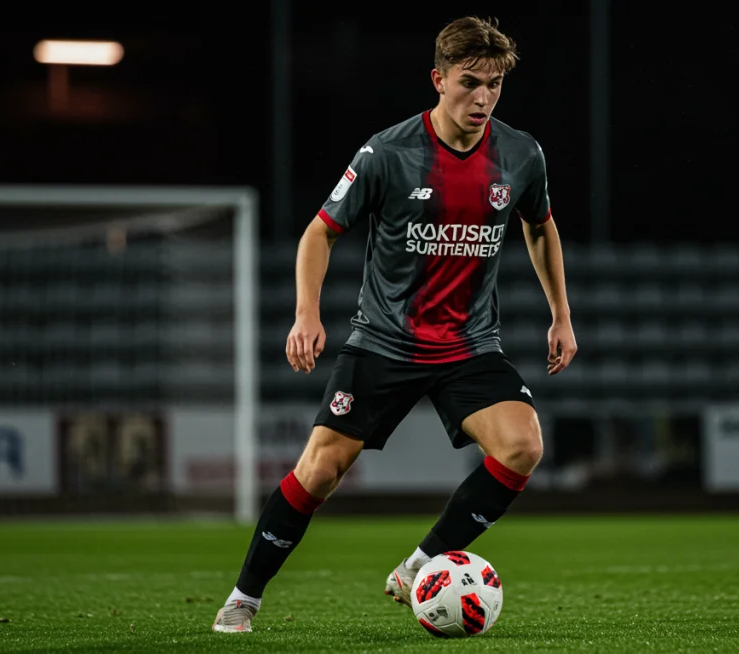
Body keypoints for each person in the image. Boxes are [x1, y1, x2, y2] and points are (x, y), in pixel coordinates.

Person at [213, 15, 577, 633]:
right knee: (320, 470)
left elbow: (540, 227)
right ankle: (244, 597)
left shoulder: (520, 154)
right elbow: (318, 234)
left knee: (523, 446)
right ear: (438, 80)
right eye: (470, 83)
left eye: (494, 85)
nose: (483, 98)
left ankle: (421, 564)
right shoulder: (388, 153)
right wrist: (307, 312)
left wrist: (560, 315)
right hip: (386, 341)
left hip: (468, 345)